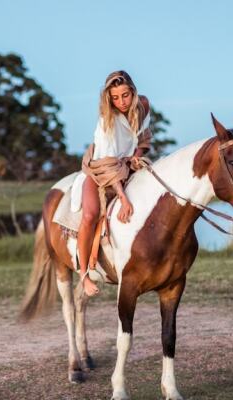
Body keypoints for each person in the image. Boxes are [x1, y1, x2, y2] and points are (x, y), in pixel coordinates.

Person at [71, 70, 152, 296]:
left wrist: (135, 155)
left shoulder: (143, 105)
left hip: (126, 165)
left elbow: (145, 139)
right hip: (101, 169)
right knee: (90, 214)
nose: (121, 102)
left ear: (133, 92)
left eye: (125, 95)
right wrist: (123, 198)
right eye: (115, 98)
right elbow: (108, 166)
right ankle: (84, 274)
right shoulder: (107, 120)